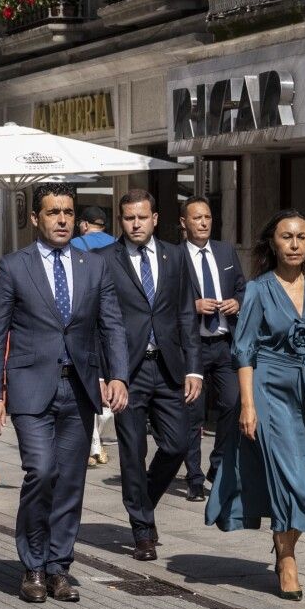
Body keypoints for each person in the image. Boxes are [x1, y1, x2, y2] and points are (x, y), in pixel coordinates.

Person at [0, 183, 129, 603]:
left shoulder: (93, 266)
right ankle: (31, 564)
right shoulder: (14, 267)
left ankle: (58, 566)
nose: (62, 219)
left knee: (70, 481)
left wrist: (117, 374)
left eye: (67, 212)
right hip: (31, 387)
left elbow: (112, 324)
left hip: (79, 387)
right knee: (41, 471)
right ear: (35, 218)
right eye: (53, 212)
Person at [206, 209, 305, 601]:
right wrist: (247, 406)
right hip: (269, 389)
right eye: (287, 237)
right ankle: (287, 560)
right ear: (273, 242)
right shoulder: (258, 290)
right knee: (290, 477)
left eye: (302, 237)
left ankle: (284, 543)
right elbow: (244, 351)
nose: (295, 244)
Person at [95, 189, 201, 562]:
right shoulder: (105, 259)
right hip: (128, 371)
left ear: (155, 218)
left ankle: (144, 504)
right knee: (132, 451)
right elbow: (98, 321)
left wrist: (193, 368)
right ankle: (141, 529)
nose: (135, 224)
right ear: (120, 220)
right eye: (128, 218)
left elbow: (186, 313)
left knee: (176, 446)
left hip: (170, 366)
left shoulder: (175, 257)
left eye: (142, 217)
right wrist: (107, 374)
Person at [179, 196, 246, 499]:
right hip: (191, 348)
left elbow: (242, 287)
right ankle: (193, 477)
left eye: (207, 217)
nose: (204, 223)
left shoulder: (225, 250)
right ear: (184, 223)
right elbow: (162, 302)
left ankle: (217, 465)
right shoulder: (174, 257)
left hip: (223, 343)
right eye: (197, 218)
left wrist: (237, 302)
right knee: (193, 414)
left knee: (233, 403)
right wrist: (192, 305)